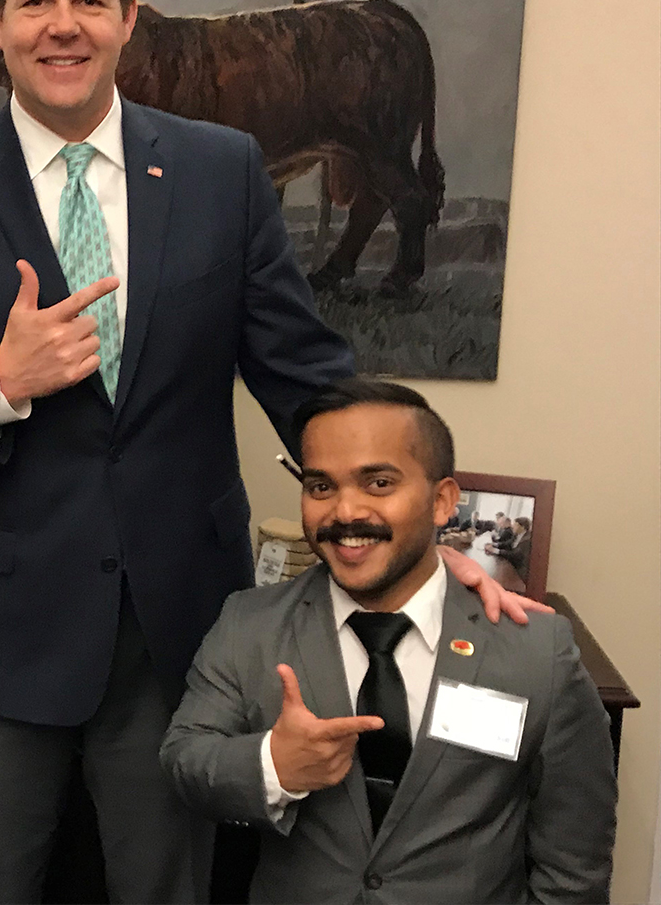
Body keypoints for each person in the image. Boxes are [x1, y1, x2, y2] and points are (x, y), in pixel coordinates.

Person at [0, 0, 536, 903]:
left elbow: (308, 376)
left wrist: (425, 531)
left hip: (179, 640)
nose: (63, 25)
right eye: (34, 2)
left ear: (130, 18)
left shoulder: (221, 171)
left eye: (90, 1)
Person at [161, 379, 616, 903]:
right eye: (321, 487)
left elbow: (574, 868)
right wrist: (274, 766)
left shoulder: (537, 652)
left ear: (442, 501)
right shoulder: (250, 624)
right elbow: (185, 760)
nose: (345, 512)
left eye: (378, 483)